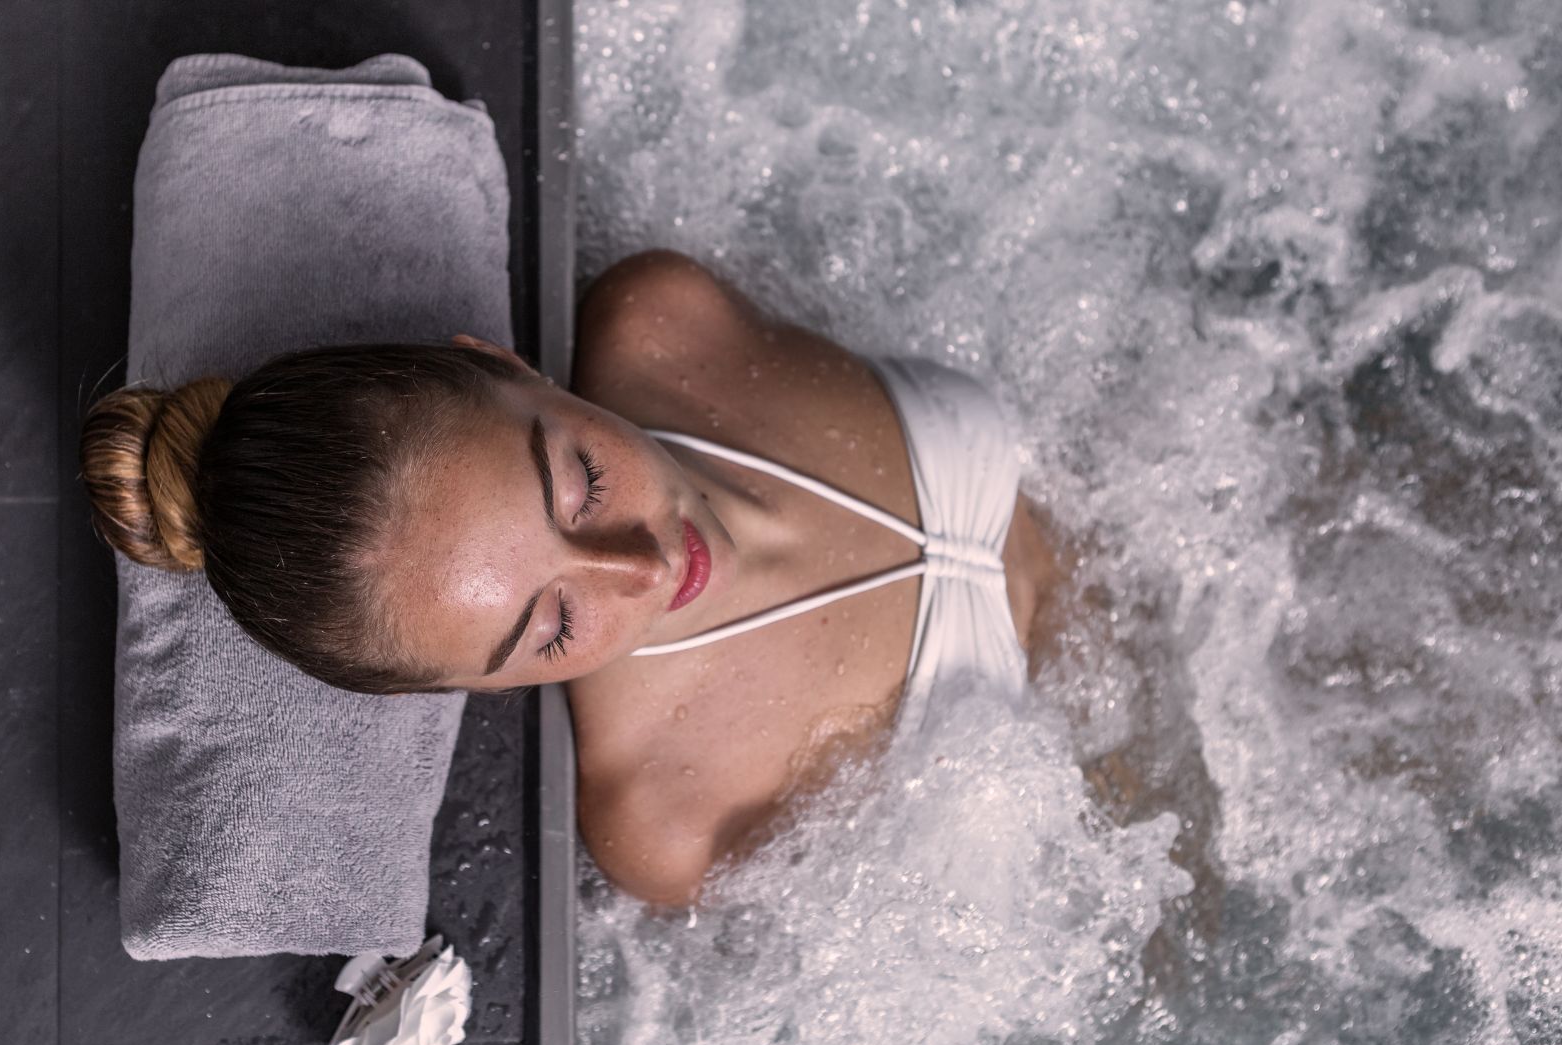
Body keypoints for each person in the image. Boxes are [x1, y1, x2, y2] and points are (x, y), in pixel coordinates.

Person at [80, 249, 1068, 908]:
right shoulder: (668, 818)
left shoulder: (666, 322)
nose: (641, 570)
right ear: (473, 688)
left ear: (511, 367)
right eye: (549, 628)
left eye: (583, 482)